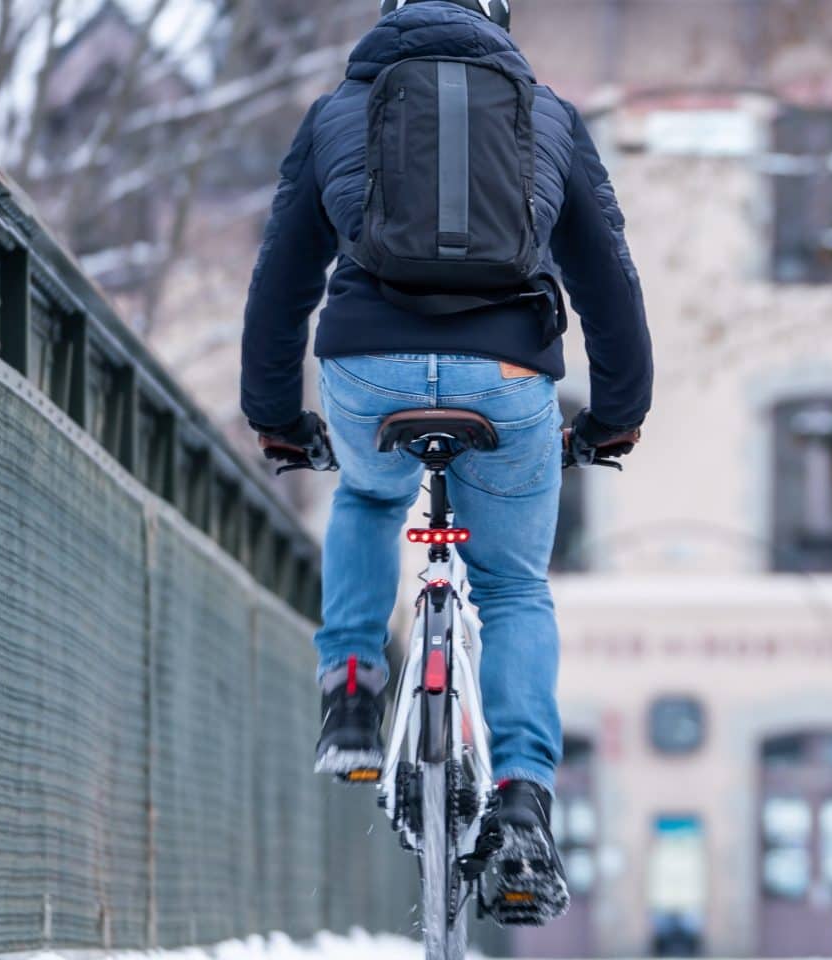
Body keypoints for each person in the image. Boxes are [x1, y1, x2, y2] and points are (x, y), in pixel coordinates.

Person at [239, 0, 652, 922]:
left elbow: (282, 276)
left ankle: (350, 687)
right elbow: (607, 277)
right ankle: (520, 803)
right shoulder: (546, 114)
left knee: (369, 500)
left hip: (365, 366)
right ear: (499, 20)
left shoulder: (338, 111)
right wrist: (617, 413)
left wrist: (274, 414)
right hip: (506, 374)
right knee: (510, 587)